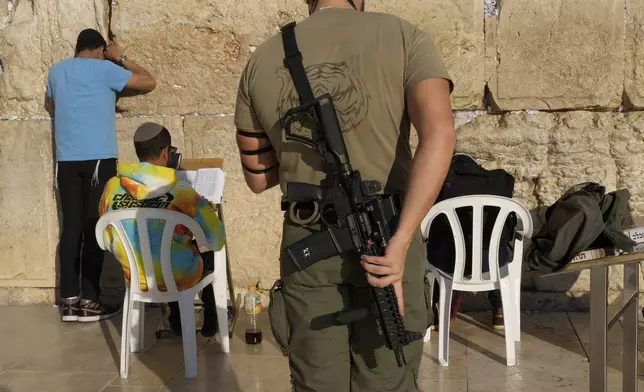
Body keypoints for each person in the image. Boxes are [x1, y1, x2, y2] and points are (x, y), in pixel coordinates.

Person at [233, 0, 456, 390]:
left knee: (316, 382)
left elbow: (257, 178)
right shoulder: (405, 38)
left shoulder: (262, 59)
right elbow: (439, 135)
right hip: (388, 234)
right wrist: (401, 244)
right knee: (389, 376)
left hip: (308, 236)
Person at [47, 28, 157, 322]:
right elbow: (149, 82)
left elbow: (54, 101)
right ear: (98, 50)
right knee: (95, 227)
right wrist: (121, 58)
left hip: (66, 160)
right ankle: (90, 299)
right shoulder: (105, 68)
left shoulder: (56, 72)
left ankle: (68, 301)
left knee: (71, 228)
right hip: (99, 159)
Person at [98, 122, 226, 337]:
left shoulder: (112, 186)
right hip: (178, 277)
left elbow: (106, 237)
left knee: (165, 251)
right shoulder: (182, 192)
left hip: (135, 276)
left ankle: (176, 320)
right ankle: (211, 319)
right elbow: (217, 238)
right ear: (165, 151)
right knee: (204, 254)